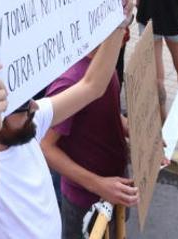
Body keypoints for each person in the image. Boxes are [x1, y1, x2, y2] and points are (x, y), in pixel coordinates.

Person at [0, 9, 132, 239]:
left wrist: (119, 22)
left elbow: (92, 86)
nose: (34, 107)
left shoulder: (28, 122)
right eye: (23, 105)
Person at [41, 41, 131, 239]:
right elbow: (46, 147)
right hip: (85, 201)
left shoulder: (106, 60)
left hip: (117, 187)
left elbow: (111, 113)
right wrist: (99, 185)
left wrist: (137, 131)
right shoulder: (69, 81)